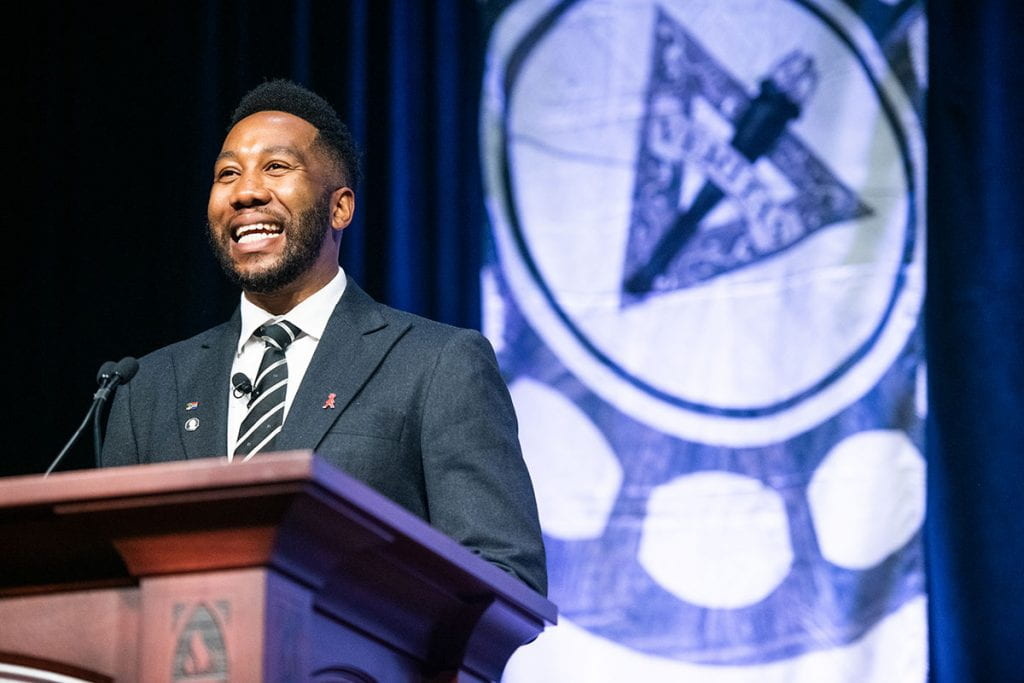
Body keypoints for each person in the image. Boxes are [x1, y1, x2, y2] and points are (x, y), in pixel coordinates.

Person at [101, 79, 547, 596]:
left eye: (276, 167)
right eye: (228, 173)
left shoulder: (437, 363)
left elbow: (505, 576)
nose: (246, 191)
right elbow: (111, 586)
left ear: (340, 208)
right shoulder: (145, 389)